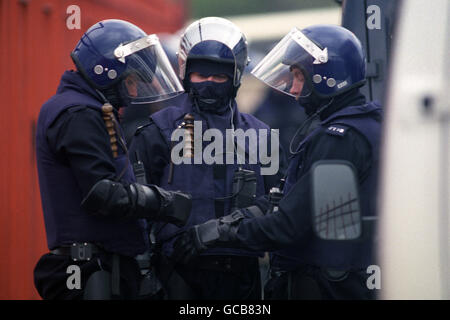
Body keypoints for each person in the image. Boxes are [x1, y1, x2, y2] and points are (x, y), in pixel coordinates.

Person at [173, 24, 383, 300]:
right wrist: (236, 219)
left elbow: (289, 223)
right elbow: (285, 199)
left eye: (298, 76)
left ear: (327, 77)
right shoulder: (368, 125)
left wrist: (217, 233)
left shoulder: (338, 140)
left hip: (328, 287)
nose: (294, 89)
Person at [129, 17, 285, 300]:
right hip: (175, 272)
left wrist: (224, 231)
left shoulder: (262, 135)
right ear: (185, 73)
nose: (209, 83)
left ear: (236, 76)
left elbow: (280, 204)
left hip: (243, 276)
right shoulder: (158, 132)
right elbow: (133, 210)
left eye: (219, 76)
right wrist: (143, 273)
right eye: (201, 75)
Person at [34, 19, 191, 300]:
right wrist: (163, 202)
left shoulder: (85, 107)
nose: (133, 93)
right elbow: (102, 193)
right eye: (130, 81)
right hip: (91, 274)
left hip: (98, 268)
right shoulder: (79, 113)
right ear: (104, 72)